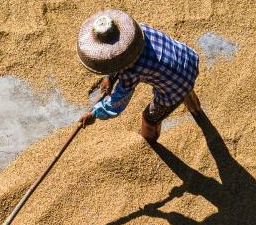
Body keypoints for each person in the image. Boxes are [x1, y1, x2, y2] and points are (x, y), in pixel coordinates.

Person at [76, 9, 201, 142]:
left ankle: (146, 142)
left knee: (150, 118)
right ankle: (196, 109)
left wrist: (95, 113)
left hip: (176, 85)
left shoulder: (131, 72)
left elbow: (118, 102)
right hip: (187, 59)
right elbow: (120, 53)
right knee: (182, 84)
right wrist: (110, 77)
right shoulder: (139, 30)